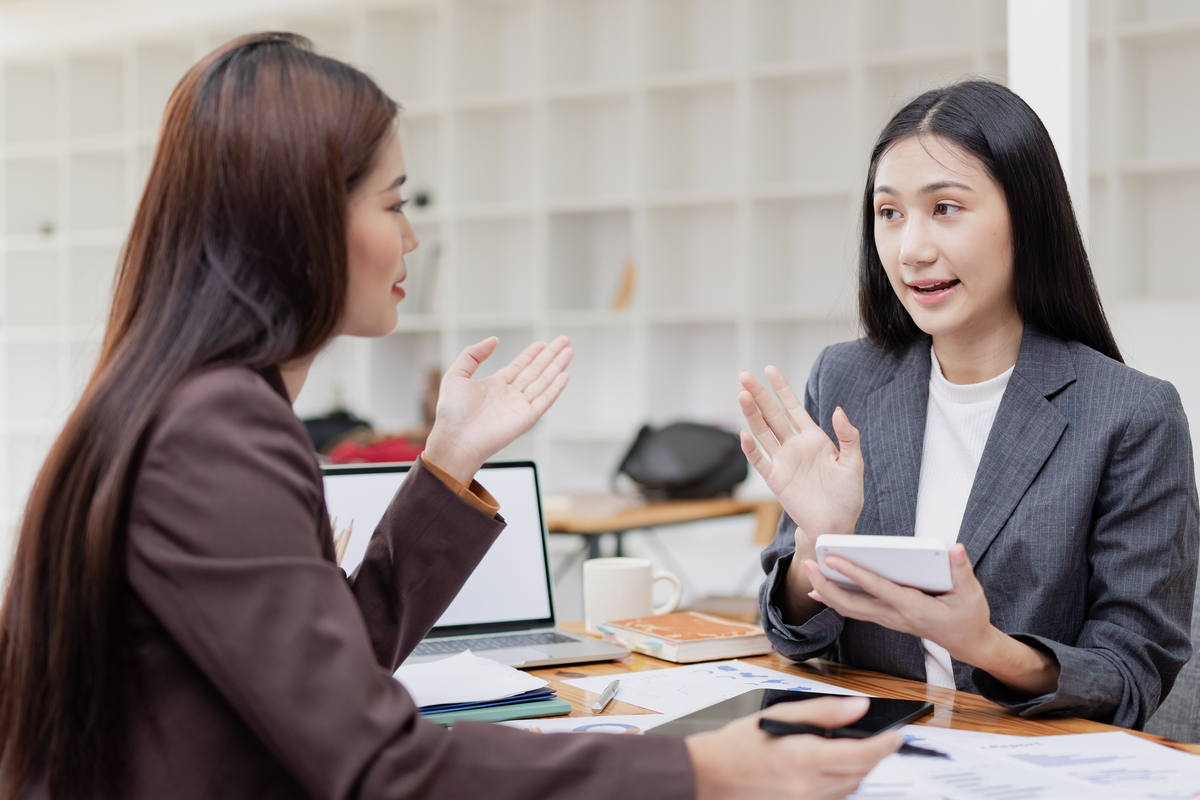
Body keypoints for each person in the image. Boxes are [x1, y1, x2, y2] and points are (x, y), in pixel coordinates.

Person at [0, 33, 900, 800]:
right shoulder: (215, 430)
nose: (413, 239)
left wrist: (447, 464)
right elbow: (374, 763)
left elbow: (327, 683)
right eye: (395, 204)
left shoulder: (194, 403)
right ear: (303, 219)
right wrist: (700, 769)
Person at [739, 79, 1199, 730]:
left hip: (1027, 762)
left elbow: (1133, 675)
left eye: (946, 208)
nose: (911, 249)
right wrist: (816, 539)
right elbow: (794, 637)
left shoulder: (1131, 417)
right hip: (867, 753)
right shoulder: (846, 380)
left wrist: (982, 645)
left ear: (1027, 217)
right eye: (889, 213)